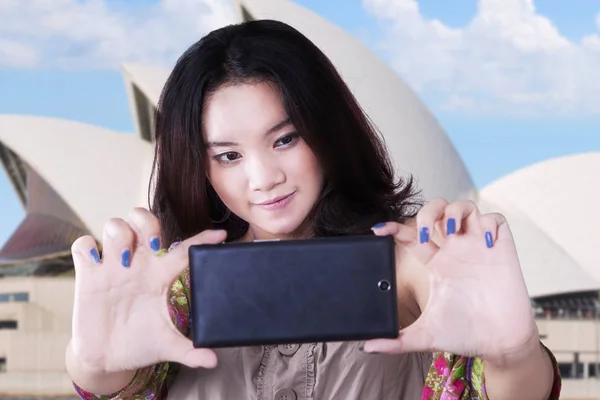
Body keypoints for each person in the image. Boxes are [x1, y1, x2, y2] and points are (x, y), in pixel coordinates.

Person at [66, 19, 561, 400]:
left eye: (285, 138)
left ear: (326, 130)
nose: (263, 178)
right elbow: (117, 380)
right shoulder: (176, 287)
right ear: (200, 165)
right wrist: (94, 367)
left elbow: (509, 386)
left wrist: (515, 356)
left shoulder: (413, 265)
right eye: (229, 155)